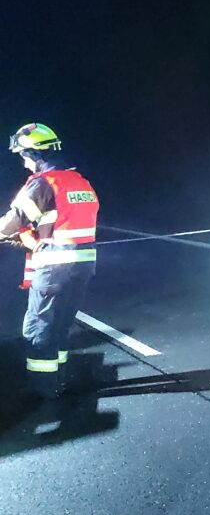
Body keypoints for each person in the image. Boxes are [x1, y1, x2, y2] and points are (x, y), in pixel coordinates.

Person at [1, 123, 99, 399]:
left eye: (24, 155)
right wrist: (32, 238)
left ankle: (41, 390)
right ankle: (58, 380)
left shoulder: (43, 184)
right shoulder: (80, 182)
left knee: (38, 327)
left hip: (54, 269)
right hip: (82, 267)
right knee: (61, 324)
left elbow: (13, 222)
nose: (23, 162)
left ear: (36, 153)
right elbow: (63, 223)